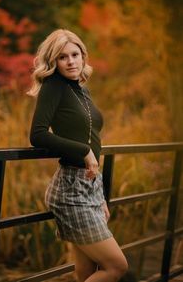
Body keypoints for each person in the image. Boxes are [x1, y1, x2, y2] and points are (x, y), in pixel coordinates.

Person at [27, 29, 128, 282]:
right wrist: (83, 151)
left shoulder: (81, 89)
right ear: (54, 61)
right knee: (116, 266)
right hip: (70, 191)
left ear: (83, 56)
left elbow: (93, 137)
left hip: (90, 186)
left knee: (87, 272)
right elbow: (38, 135)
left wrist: (100, 195)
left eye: (75, 54)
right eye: (63, 57)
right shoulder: (54, 87)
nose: (71, 61)